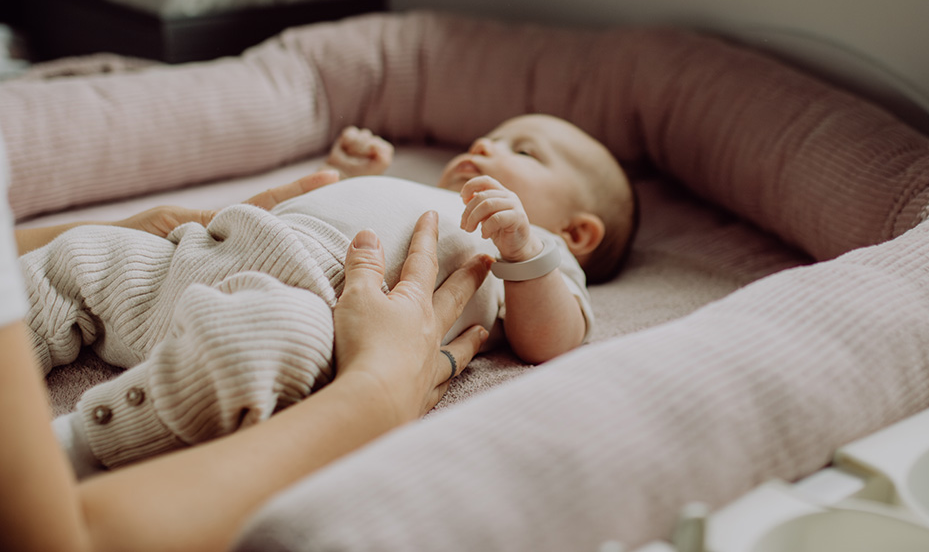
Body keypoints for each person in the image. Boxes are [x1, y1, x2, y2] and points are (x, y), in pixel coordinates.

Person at [29, 113, 636, 477]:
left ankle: (82, 443)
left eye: (522, 151)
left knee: (264, 340)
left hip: (307, 303)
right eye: (491, 137)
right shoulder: (422, 189)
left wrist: (525, 250)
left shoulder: (535, 256)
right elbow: (327, 204)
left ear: (576, 232)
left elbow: (552, 341)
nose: (486, 149)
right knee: (81, 252)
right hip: (201, 251)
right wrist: (347, 172)